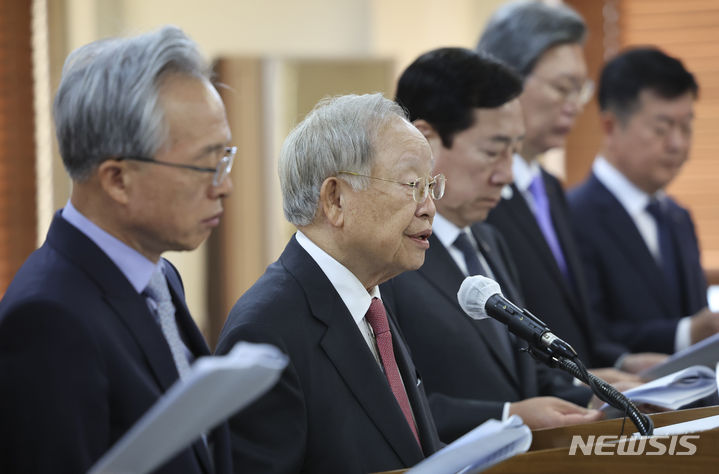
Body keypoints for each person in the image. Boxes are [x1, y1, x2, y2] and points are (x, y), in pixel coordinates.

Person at [0, 26, 234, 473]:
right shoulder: (48, 319)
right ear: (117, 179)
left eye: (226, 158)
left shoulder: (159, 276)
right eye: (206, 165)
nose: (225, 186)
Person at [382, 47, 600, 443]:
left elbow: (520, 373)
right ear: (425, 141)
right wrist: (506, 416)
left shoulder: (488, 239)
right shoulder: (388, 256)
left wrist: (596, 393)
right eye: (491, 151)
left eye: (514, 152)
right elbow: (393, 405)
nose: (506, 175)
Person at [215, 93, 443, 473]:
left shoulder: (369, 303)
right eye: (411, 184)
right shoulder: (266, 331)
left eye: (431, 186)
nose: (429, 206)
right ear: (335, 199)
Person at [478, 0, 666, 379]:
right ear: (506, 79)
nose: (575, 107)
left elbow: (575, 321)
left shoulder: (549, 187)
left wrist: (619, 363)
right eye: (563, 88)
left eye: (580, 90)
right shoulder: (479, 193)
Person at [568, 47, 715, 354]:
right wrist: (687, 332)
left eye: (686, 126)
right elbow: (588, 336)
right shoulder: (572, 216)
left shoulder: (677, 215)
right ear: (610, 127)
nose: (678, 144)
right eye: (661, 128)